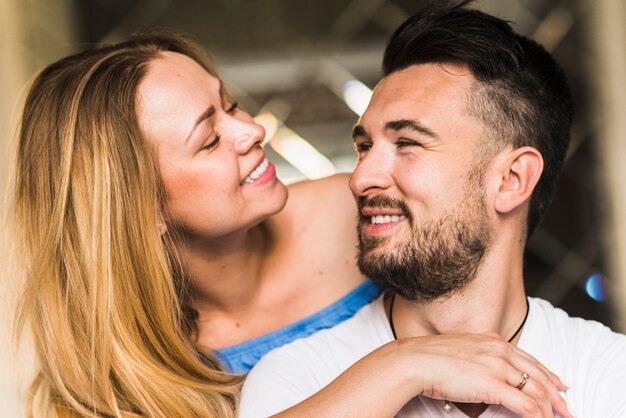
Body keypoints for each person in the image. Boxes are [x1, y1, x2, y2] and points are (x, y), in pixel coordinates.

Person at [10, 29, 569, 418]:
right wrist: (397, 367)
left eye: (229, 106)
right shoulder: (114, 372)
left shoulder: (359, 211)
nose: (251, 130)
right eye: (209, 139)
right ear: (139, 209)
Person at [239, 2, 626, 418]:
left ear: (512, 179)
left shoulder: (607, 375)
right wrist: (405, 367)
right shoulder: (299, 380)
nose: (360, 178)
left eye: (407, 143)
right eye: (364, 147)